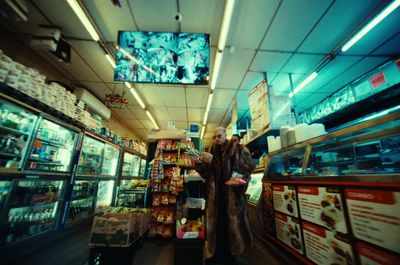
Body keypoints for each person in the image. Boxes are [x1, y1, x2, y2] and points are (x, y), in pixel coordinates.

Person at [196, 127, 255, 265]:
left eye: (219, 136)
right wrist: (201, 164)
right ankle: (216, 255)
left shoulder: (237, 149)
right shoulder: (210, 152)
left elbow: (249, 167)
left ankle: (231, 256)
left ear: (225, 135)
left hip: (232, 197)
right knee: (218, 227)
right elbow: (206, 174)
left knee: (232, 227)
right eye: (215, 136)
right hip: (215, 198)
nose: (217, 138)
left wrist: (238, 180)